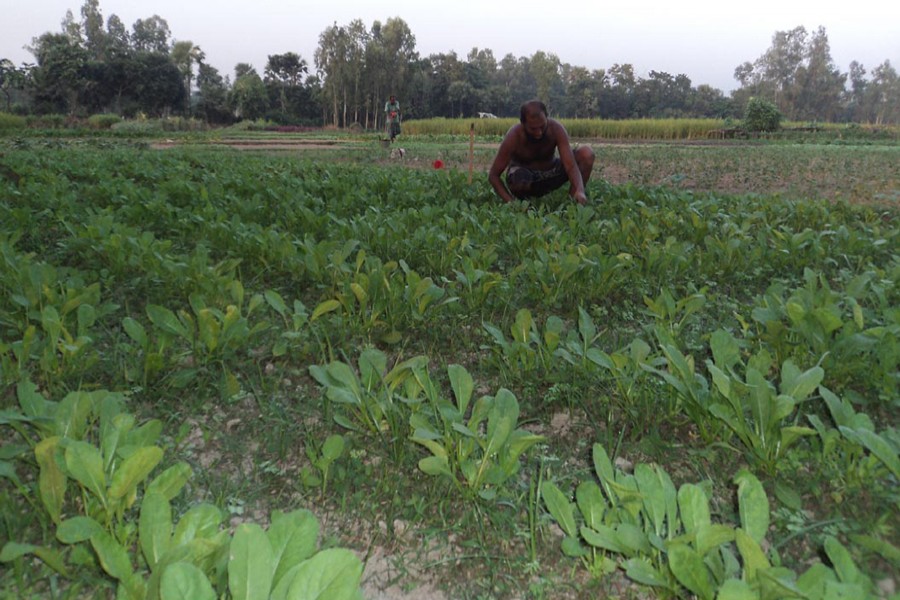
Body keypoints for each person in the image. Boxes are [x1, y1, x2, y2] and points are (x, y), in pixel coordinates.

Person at [488, 100, 594, 205]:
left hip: (551, 173)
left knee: (586, 153)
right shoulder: (514, 136)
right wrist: (511, 203)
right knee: (518, 178)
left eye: (542, 127)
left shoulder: (556, 129)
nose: (539, 133)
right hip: (525, 180)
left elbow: (570, 165)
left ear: (547, 118)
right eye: (533, 129)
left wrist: (580, 189)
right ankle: (524, 204)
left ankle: (573, 201)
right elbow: (493, 175)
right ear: (523, 123)